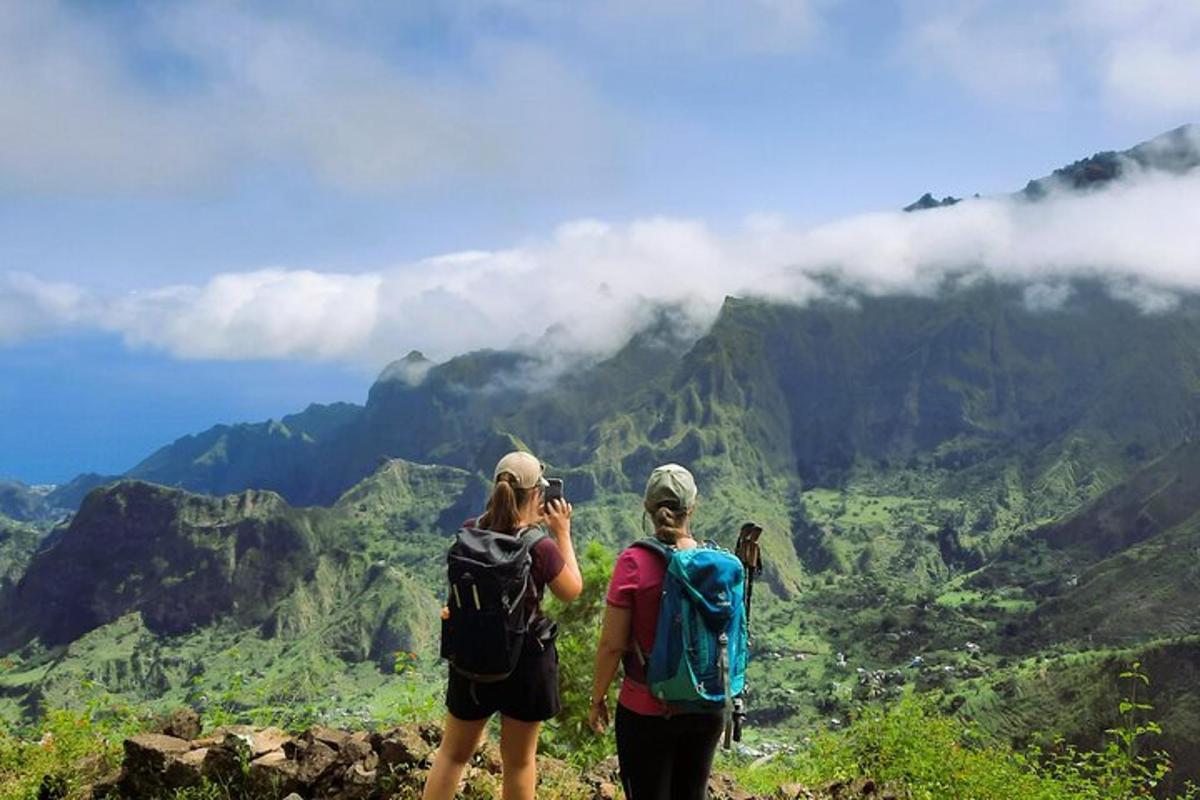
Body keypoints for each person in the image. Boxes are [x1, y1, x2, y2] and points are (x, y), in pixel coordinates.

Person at [423, 451, 583, 800]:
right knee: (520, 763)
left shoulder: (469, 530)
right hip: (526, 661)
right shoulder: (539, 546)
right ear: (538, 495)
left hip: (471, 657)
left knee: (451, 755)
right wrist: (562, 533)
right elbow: (572, 590)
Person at [588, 463, 725, 800]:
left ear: (647, 508)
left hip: (647, 709)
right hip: (706, 707)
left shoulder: (633, 562)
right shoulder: (715, 564)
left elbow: (612, 645)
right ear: (692, 508)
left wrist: (597, 698)